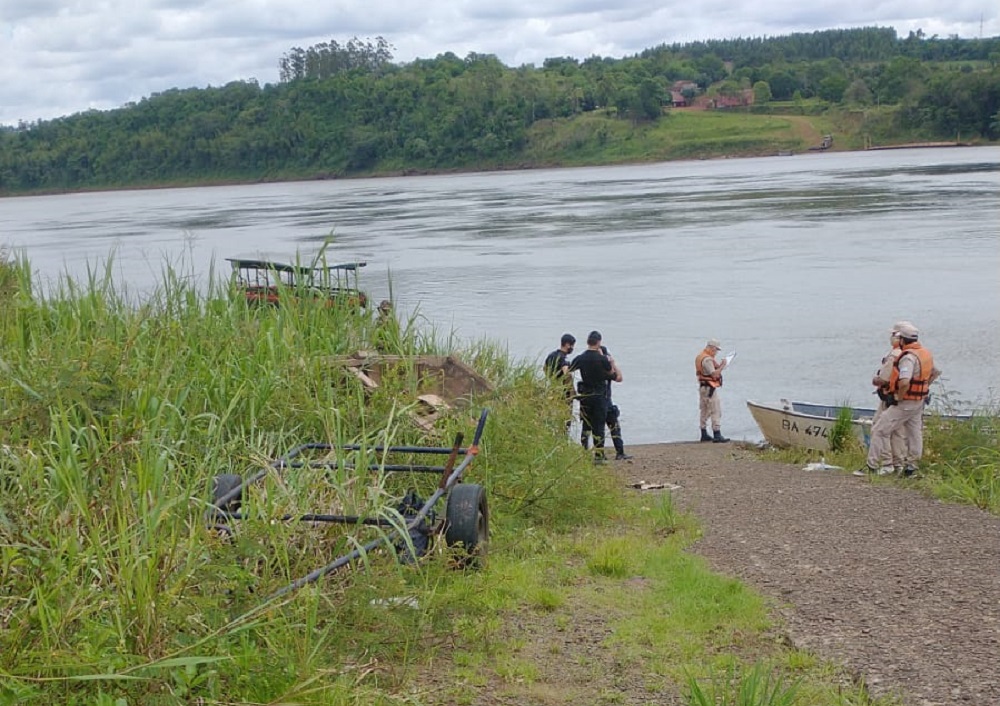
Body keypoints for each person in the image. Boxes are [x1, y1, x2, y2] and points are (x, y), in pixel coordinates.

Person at [861, 322, 941, 477]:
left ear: (902, 340)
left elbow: (904, 381)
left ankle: (872, 465)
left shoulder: (908, 358)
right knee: (914, 433)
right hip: (919, 401)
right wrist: (924, 387)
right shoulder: (925, 354)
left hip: (905, 402)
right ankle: (911, 467)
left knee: (879, 430)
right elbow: (935, 372)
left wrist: (899, 396)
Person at [859, 322, 909, 474]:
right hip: (905, 400)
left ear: (899, 337)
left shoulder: (894, 355)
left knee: (879, 428)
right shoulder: (911, 354)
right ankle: (899, 464)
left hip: (889, 398)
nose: (891, 338)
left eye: (893, 335)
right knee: (898, 431)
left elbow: (884, 378)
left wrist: (876, 380)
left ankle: (886, 463)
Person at [570, 331, 618, 462]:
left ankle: (584, 451)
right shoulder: (602, 359)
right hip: (599, 395)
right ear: (599, 342)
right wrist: (610, 362)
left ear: (588, 342)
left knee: (586, 424)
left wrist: (572, 388)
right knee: (599, 426)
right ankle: (599, 455)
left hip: (586, 395)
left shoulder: (581, 358)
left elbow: (568, 370)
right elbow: (611, 372)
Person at [600, 344, 632, 461]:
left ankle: (602, 454)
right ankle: (618, 452)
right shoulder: (606, 370)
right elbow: (619, 377)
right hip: (604, 401)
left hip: (602, 401)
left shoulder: (596, 369)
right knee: (611, 427)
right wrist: (612, 363)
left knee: (601, 428)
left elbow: (619, 378)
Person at [696, 338, 729, 443]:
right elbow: (714, 374)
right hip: (709, 389)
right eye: (716, 350)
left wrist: (720, 365)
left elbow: (711, 369)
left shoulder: (700, 356)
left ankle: (703, 433)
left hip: (702, 387)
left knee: (704, 410)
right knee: (715, 410)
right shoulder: (707, 360)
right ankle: (717, 434)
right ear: (711, 348)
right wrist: (722, 366)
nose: (716, 352)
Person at [543, 333, 577, 427]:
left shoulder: (551, 355)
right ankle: (564, 434)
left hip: (553, 388)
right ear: (567, 345)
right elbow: (566, 373)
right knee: (566, 418)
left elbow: (544, 368)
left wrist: (551, 378)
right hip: (564, 392)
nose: (572, 348)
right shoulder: (563, 358)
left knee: (554, 415)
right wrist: (572, 390)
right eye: (572, 346)